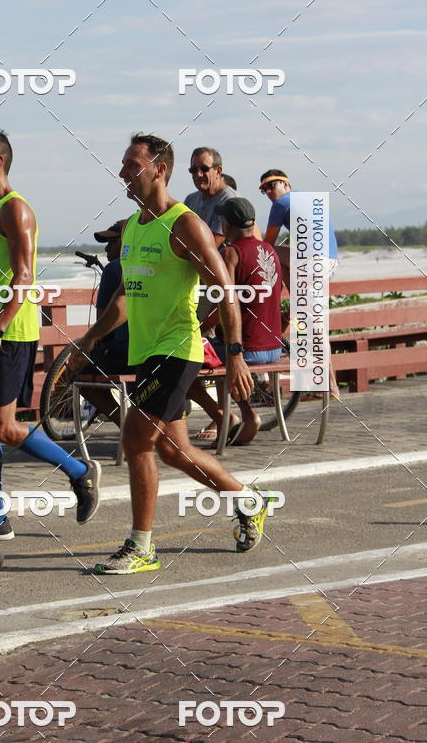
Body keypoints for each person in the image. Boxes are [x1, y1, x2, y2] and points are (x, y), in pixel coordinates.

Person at [70, 133, 272, 575]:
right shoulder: (134, 227)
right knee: (173, 451)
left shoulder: (184, 225)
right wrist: (87, 342)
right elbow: (123, 299)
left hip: (177, 350)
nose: (123, 172)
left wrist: (235, 354)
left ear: (159, 169)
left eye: (131, 165)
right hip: (147, 352)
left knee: (136, 440)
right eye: (123, 164)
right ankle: (248, 500)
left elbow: (224, 289)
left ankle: (142, 546)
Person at [0, 127, 100, 539]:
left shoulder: (15, 210)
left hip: (9, 333)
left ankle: (80, 472)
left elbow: (24, 277)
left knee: (4, 427)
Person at [190, 198, 283, 445]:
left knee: (185, 362)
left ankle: (236, 415)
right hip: (274, 348)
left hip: (246, 349)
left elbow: (225, 303)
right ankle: (235, 415)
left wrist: (199, 327)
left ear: (226, 224)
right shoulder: (270, 251)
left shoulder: (231, 253)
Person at [260, 169, 339, 396]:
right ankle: (323, 386)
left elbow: (267, 244)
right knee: (312, 324)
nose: (268, 192)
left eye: (271, 186)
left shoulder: (281, 204)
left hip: (313, 263)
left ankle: (330, 386)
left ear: (286, 183)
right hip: (329, 262)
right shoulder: (308, 198)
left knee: (315, 327)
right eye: (264, 189)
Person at [78, 219, 130, 427]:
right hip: (156, 350)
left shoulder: (113, 269)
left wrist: (91, 338)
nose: (107, 249)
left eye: (112, 243)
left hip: (126, 354)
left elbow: (102, 321)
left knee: (81, 376)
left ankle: (124, 422)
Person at [184, 147, 236, 246]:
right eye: (193, 170)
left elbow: (211, 245)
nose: (198, 174)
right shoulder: (190, 200)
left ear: (218, 171)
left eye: (204, 169)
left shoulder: (230, 202)